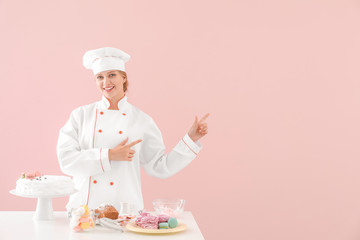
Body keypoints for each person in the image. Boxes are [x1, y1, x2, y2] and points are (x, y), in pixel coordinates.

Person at [57, 47, 210, 215]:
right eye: (100, 77)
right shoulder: (80, 115)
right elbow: (66, 160)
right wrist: (109, 155)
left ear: (123, 77)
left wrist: (190, 140)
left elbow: (159, 167)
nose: (106, 82)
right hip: (84, 211)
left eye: (112, 75)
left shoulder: (142, 120)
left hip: (125, 211)